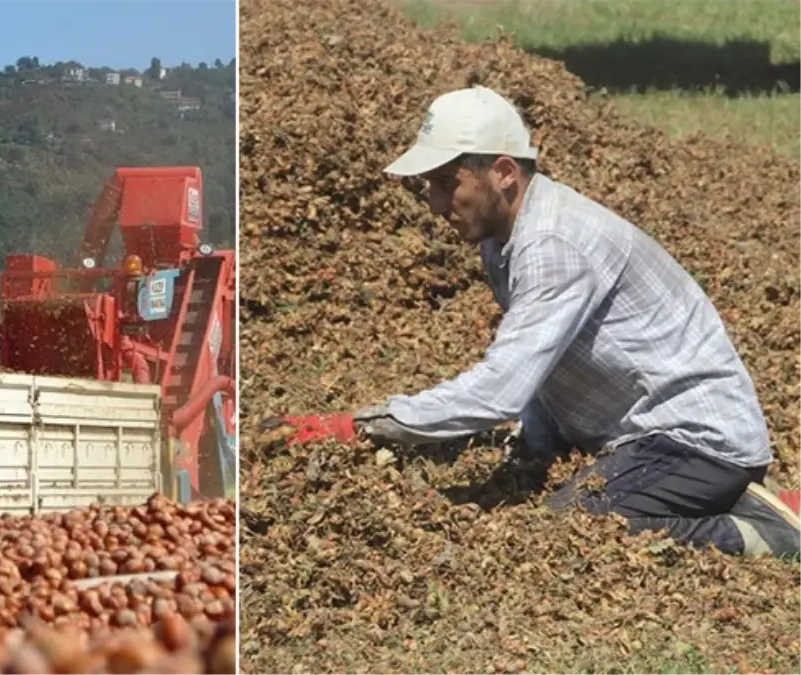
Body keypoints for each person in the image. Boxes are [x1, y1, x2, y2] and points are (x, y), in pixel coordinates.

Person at [261, 85, 801, 558]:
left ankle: (760, 531)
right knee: (570, 509)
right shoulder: (504, 239)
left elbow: (499, 390)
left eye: (446, 182)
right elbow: (545, 364)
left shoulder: (552, 244)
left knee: (576, 531)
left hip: (692, 437)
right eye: (426, 185)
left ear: (502, 173)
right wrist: (536, 449)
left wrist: (360, 424)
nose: (432, 202)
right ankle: (728, 496)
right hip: (637, 435)